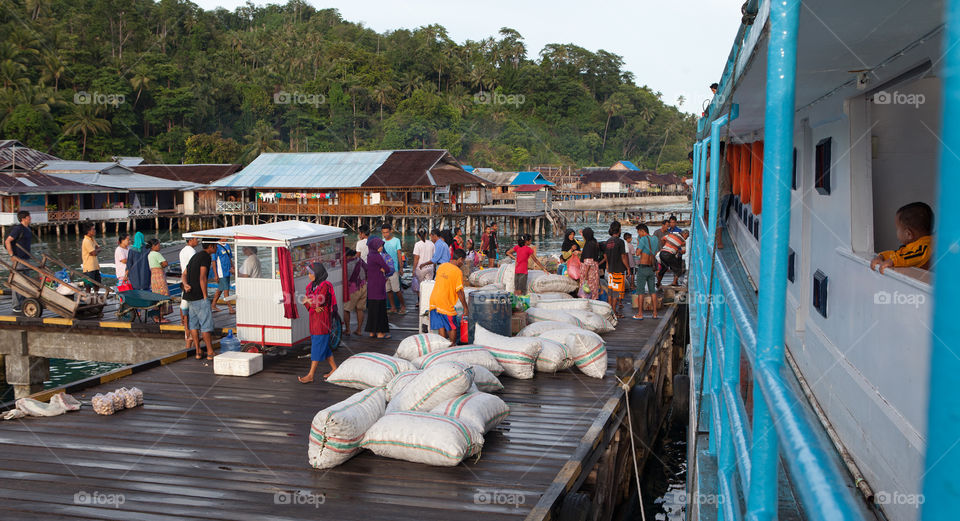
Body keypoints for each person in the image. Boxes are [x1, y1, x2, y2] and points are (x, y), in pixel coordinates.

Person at [298, 262, 339, 383]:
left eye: (311, 273)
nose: (309, 275)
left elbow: (317, 302)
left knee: (316, 345)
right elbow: (308, 302)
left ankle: (311, 374)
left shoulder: (326, 285)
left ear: (318, 273)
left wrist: (310, 301)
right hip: (314, 317)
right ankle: (334, 368)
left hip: (322, 319)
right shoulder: (310, 286)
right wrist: (311, 303)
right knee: (323, 345)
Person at [870, 202, 934, 273]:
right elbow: (899, 254)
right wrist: (882, 256)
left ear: (908, 234)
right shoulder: (914, 246)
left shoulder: (925, 247)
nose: (896, 232)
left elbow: (913, 256)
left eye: (897, 228)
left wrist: (893, 261)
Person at [182, 241, 217, 360]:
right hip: (199, 295)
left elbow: (184, 274)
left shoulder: (195, 256)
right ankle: (210, 352)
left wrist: (185, 284)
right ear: (211, 247)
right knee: (206, 324)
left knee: (194, 324)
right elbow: (202, 277)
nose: (216, 248)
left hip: (189, 295)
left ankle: (198, 351)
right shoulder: (206, 257)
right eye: (215, 246)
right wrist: (205, 296)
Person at [429, 248, 469, 343]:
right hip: (445, 302)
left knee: (441, 326)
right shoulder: (457, 271)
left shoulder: (442, 266)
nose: (462, 263)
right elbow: (459, 291)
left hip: (434, 300)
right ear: (460, 259)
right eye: (463, 261)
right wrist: (465, 307)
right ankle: (452, 346)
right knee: (453, 327)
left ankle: (443, 348)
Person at [4, 210, 33, 313]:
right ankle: (16, 306)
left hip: (26, 259)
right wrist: (12, 255)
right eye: (29, 216)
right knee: (18, 282)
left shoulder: (28, 229)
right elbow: (8, 241)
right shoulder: (18, 229)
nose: (30, 218)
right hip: (19, 259)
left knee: (26, 282)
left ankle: (24, 302)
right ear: (24, 218)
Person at [364, 236, 391, 339]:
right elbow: (387, 268)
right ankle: (380, 333)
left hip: (371, 286)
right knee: (380, 310)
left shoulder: (369, 255)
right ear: (375, 246)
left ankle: (372, 331)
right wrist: (384, 270)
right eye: (380, 246)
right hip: (379, 286)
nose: (381, 247)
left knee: (372, 310)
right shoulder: (377, 256)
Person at [602, 222, 631, 319]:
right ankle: (614, 312)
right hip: (618, 269)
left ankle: (610, 311)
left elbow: (605, 256)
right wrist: (628, 268)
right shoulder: (620, 242)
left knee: (611, 291)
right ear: (619, 230)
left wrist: (607, 265)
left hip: (610, 269)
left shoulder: (608, 241)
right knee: (616, 292)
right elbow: (623, 256)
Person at [633, 224, 659, 320]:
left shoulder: (643, 239)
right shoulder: (655, 239)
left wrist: (638, 242)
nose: (638, 234)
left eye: (638, 232)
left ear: (642, 231)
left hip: (643, 268)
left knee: (641, 292)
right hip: (651, 268)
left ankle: (640, 313)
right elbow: (656, 252)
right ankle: (655, 313)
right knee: (653, 291)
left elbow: (637, 253)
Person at [177, 236, 198, 354]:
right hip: (190, 281)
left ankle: (188, 342)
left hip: (184, 281)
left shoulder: (182, 251)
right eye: (195, 239)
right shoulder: (192, 251)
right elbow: (193, 267)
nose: (197, 241)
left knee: (184, 309)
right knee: (192, 313)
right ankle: (195, 346)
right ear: (190, 240)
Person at [379, 223, 405, 314]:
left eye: (386, 232)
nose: (385, 234)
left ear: (390, 231)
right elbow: (380, 256)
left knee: (397, 290)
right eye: (383, 233)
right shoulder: (381, 242)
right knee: (388, 290)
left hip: (394, 269)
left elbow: (399, 254)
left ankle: (403, 306)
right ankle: (393, 307)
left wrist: (401, 268)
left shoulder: (396, 240)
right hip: (384, 270)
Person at [147, 238, 171, 323]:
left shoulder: (149, 254)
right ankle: (160, 316)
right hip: (159, 276)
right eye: (158, 244)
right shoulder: (157, 254)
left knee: (156, 295)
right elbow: (165, 263)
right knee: (163, 294)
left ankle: (156, 315)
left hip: (153, 276)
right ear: (153, 246)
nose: (159, 246)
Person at [343, 248, 366, 336]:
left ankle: (348, 329)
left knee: (346, 309)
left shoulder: (347, 264)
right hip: (363, 286)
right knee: (360, 309)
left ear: (347, 256)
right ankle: (359, 330)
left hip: (353, 288)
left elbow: (346, 278)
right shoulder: (360, 260)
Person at [578, 227, 601, 299]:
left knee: (587, 288)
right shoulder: (594, 242)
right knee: (594, 287)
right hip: (594, 269)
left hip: (589, 271)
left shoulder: (589, 245)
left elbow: (588, 262)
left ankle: (588, 303)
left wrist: (585, 275)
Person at [412, 229, 436, 294]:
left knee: (419, 286)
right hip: (430, 268)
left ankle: (420, 301)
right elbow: (434, 257)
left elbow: (416, 258)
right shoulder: (432, 244)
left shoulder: (417, 244)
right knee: (428, 286)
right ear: (426, 234)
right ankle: (427, 300)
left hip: (420, 268)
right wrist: (434, 268)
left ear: (418, 236)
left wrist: (413, 270)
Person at [80, 222, 102, 292]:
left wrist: (96, 250)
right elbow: (93, 253)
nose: (95, 231)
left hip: (95, 266)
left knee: (97, 284)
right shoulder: (86, 241)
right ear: (88, 231)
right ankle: (88, 298)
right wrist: (97, 250)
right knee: (88, 285)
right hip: (89, 267)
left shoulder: (92, 239)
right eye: (93, 229)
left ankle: (96, 296)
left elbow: (98, 248)